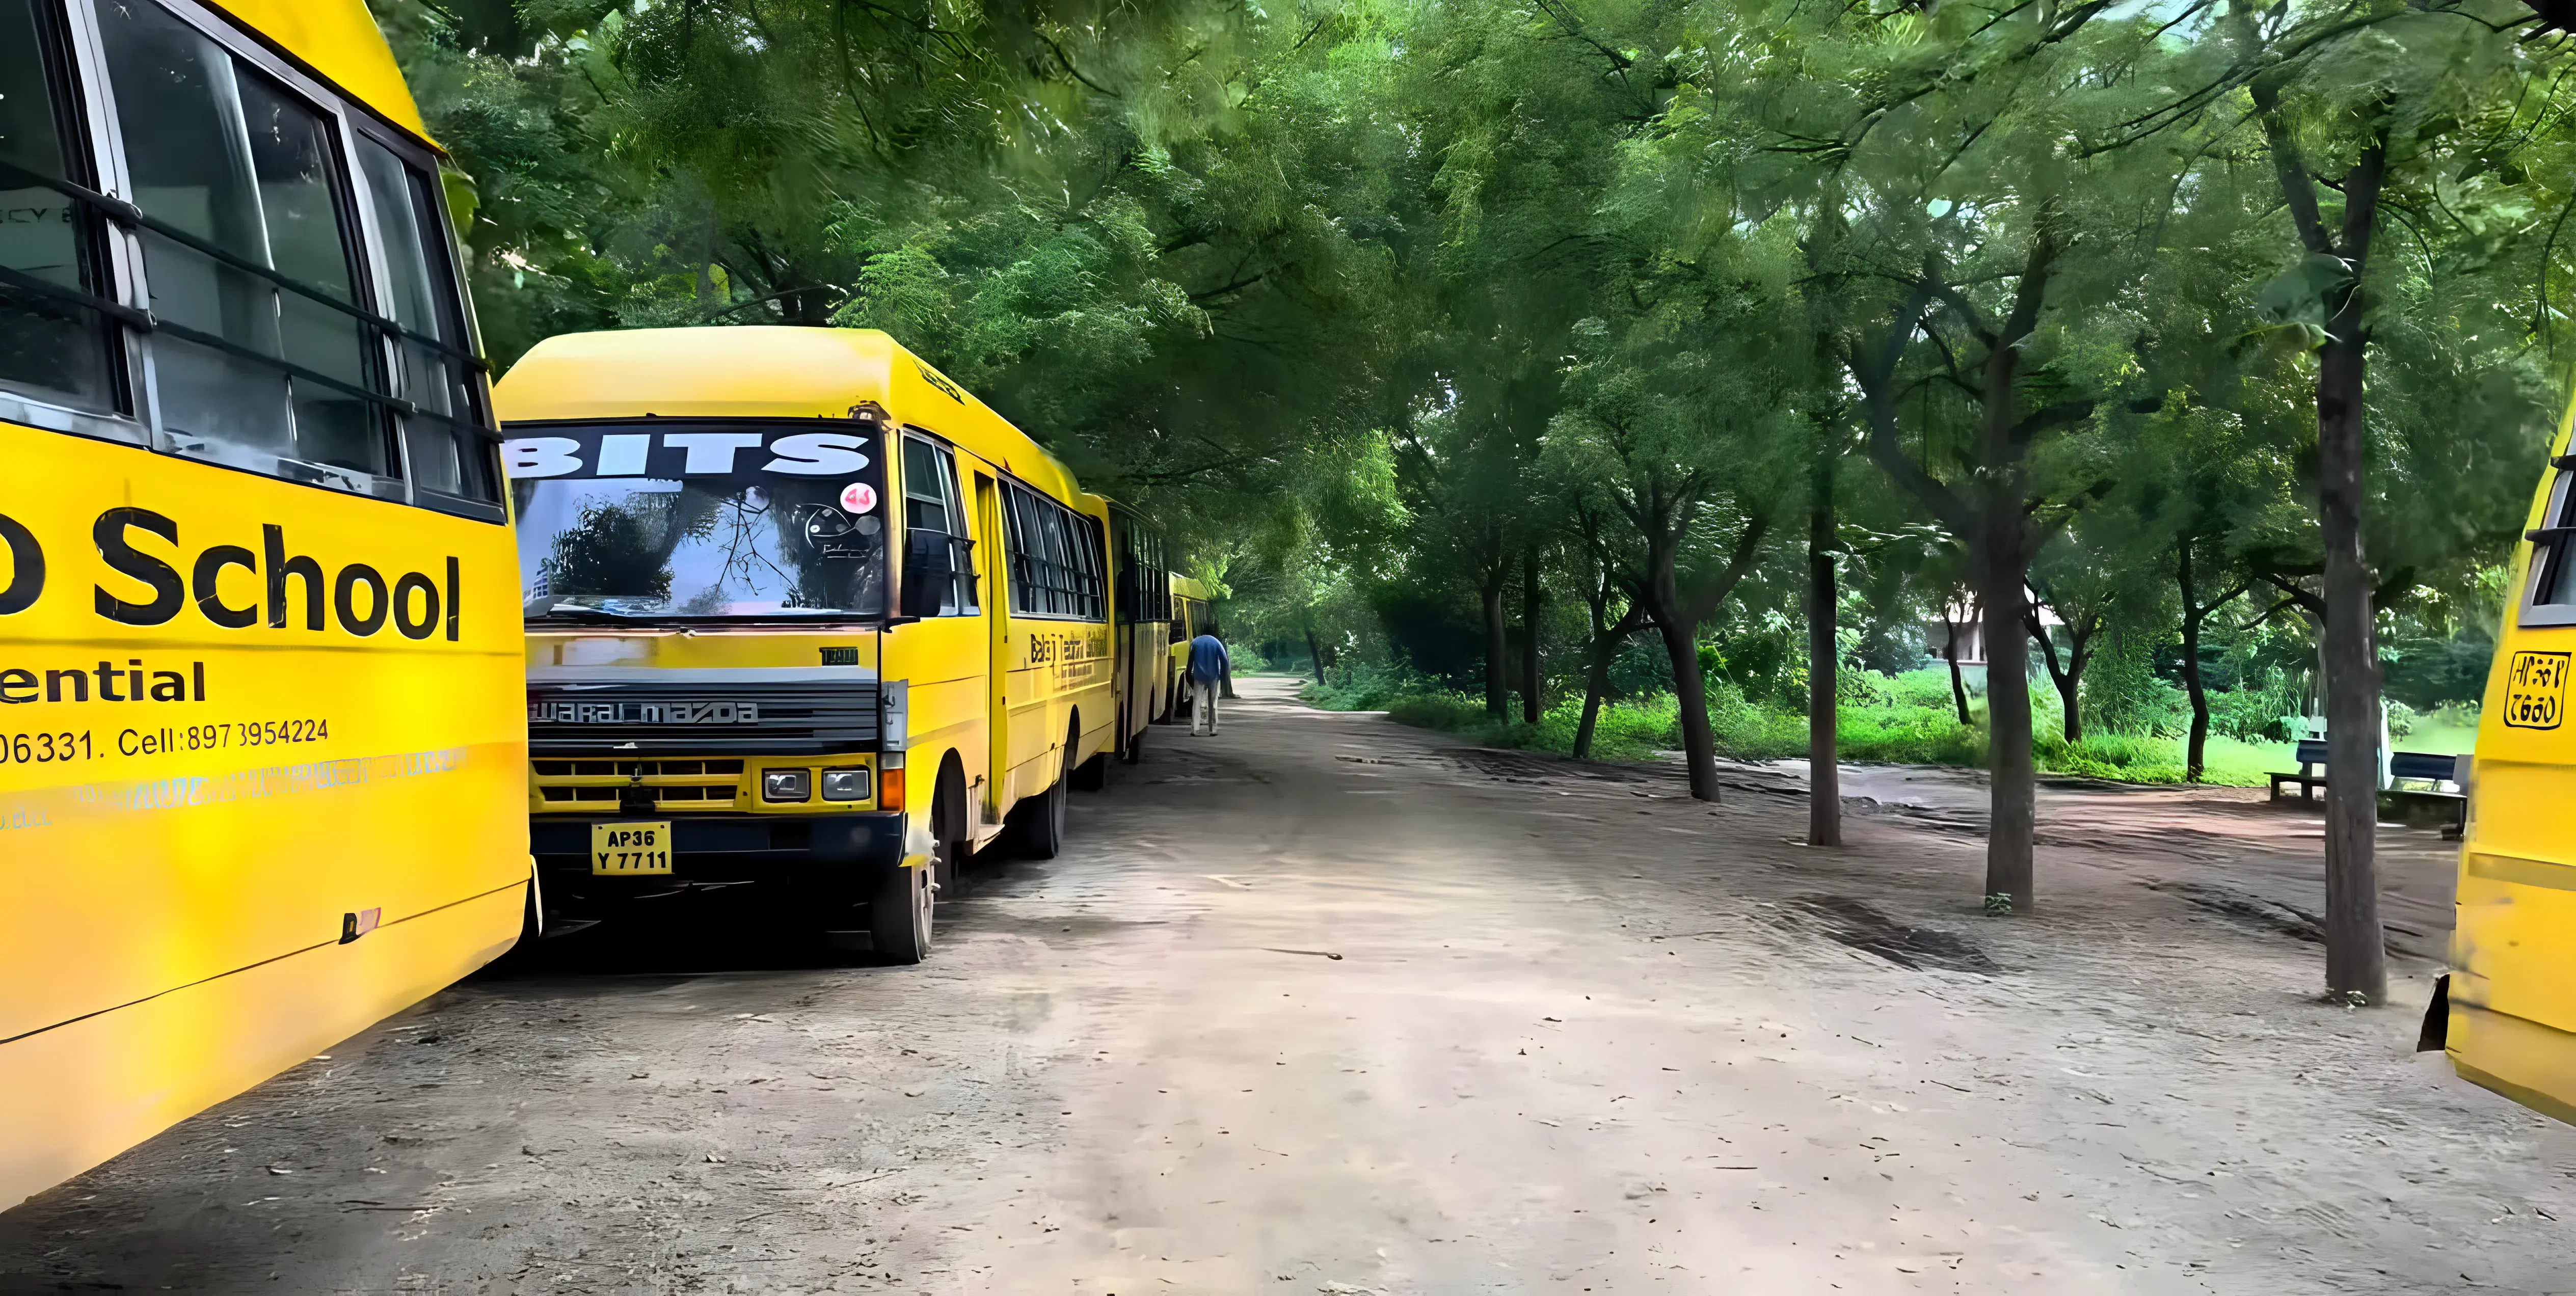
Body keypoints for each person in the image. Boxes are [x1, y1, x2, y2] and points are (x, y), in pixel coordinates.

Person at [1186, 630, 1230, 736]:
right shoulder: (1216, 642)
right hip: (1213, 676)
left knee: (1197, 701)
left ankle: (1195, 729)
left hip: (1198, 676)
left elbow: (1190, 661)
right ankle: (1212, 729)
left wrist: (1188, 677)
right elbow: (1224, 660)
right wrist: (1224, 678)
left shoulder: (1195, 642)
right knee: (1213, 702)